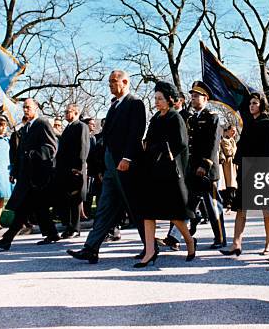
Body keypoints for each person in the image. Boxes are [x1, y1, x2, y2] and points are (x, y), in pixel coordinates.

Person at [67, 70, 146, 263]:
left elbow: (136, 133)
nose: (110, 85)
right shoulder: (114, 106)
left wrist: (127, 158)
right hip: (111, 165)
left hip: (125, 164)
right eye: (109, 81)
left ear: (125, 82)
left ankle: (150, 247)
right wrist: (103, 166)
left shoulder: (134, 103)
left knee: (135, 207)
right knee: (104, 207)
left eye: (113, 81)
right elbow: (107, 137)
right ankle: (91, 248)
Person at [135, 81, 197, 267]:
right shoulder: (155, 118)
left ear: (170, 100)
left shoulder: (175, 118)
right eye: (155, 98)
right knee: (148, 213)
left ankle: (189, 242)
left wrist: (162, 149)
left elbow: (181, 144)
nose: (157, 102)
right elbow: (149, 139)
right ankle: (150, 252)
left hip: (170, 174)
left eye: (160, 98)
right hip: (153, 172)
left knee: (175, 215)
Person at [0, 99, 58, 250]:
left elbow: (51, 148)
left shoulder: (42, 123)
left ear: (36, 108)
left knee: (23, 208)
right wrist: (15, 170)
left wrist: (33, 154)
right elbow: (19, 152)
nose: (25, 110)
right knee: (37, 208)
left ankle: (7, 239)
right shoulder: (27, 127)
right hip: (26, 175)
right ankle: (52, 234)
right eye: (24, 107)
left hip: (38, 176)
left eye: (28, 107)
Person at [220, 92, 269, 257]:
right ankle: (236, 244)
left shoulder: (268, 123)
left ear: (262, 104)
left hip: (263, 170)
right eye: (250, 103)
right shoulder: (249, 123)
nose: (251, 106)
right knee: (240, 208)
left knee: (266, 209)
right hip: (246, 169)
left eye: (255, 103)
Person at [186, 81, 226, 249]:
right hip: (192, 168)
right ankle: (178, 236)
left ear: (205, 98)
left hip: (206, 170)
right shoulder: (191, 118)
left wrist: (205, 165)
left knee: (213, 205)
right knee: (188, 204)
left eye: (196, 96)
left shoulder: (212, 117)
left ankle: (221, 238)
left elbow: (213, 144)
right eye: (192, 96)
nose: (193, 99)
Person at [55, 104, 89, 239]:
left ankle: (75, 228)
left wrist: (79, 167)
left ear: (75, 112)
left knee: (75, 200)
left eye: (68, 111)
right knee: (68, 199)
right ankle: (69, 227)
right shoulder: (68, 128)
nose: (65, 114)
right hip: (65, 169)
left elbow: (83, 147)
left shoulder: (81, 126)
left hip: (75, 169)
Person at [219, 125, 238, 208]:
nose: (234, 132)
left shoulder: (232, 140)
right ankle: (228, 202)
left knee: (233, 183)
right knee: (229, 183)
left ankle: (232, 201)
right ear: (228, 131)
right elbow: (228, 152)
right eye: (232, 130)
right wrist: (234, 150)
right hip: (228, 164)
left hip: (233, 163)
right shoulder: (224, 140)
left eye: (235, 131)